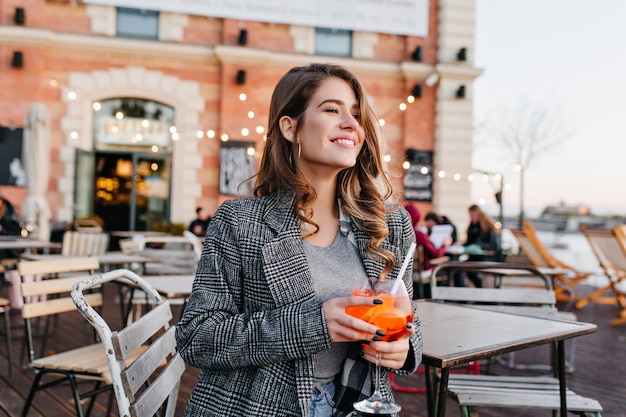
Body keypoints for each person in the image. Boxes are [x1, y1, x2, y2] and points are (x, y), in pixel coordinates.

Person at [175, 63, 421, 417]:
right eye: (332, 109)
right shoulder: (240, 223)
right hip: (256, 407)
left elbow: (406, 313)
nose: (352, 123)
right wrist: (314, 324)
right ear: (291, 128)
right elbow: (197, 338)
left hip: (357, 404)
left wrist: (404, 347)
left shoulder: (390, 224)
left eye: (356, 113)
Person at [405, 206, 451, 297]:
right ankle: (440, 298)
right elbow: (436, 254)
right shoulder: (419, 234)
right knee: (448, 268)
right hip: (422, 271)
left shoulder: (403, 233)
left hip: (407, 272)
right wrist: (445, 244)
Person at [462, 204, 500, 288]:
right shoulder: (472, 227)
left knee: (467, 268)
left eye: (472, 215)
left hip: (486, 258)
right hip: (474, 258)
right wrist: (462, 244)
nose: (471, 218)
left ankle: (479, 289)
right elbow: (469, 242)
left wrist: (478, 245)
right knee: (460, 268)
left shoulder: (488, 228)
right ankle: (478, 289)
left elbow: (494, 246)